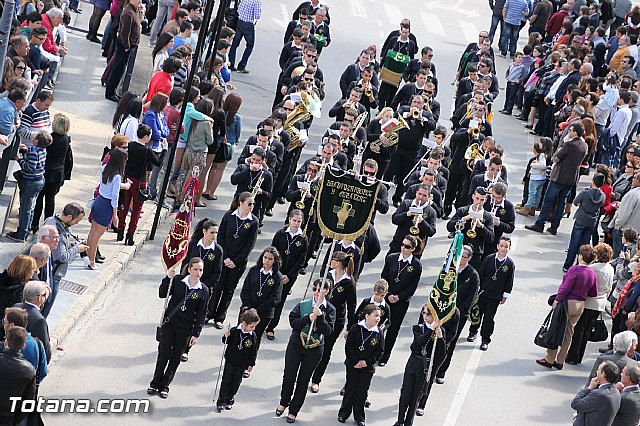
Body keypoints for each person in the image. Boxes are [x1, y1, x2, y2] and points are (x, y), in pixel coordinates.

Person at [276, 278, 336, 424]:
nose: (316, 293)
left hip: (314, 349)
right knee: (289, 376)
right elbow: (293, 322)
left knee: (303, 381)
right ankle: (284, 401)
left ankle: (294, 410)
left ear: (326, 291)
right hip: (296, 345)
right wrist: (308, 318)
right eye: (314, 289)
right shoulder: (304, 305)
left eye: (320, 290)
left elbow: (328, 331)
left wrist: (320, 317)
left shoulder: (330, 310)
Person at [148, 258, 209, 399]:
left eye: (201, 270)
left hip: (185, 329)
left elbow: (201, 314)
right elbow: (162, 293)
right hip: (169, 324)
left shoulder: (203, 290)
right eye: (195, 269)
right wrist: (167, 278)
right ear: (189, 269)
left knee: (175, 357)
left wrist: (196, 334)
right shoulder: (178, 281)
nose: (198, 273)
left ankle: (165, 385)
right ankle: (155, 382)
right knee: (163, 354)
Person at [537, 245, 598, 370]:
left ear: (580, 256)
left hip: (568, 302)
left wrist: (557, 300)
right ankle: (560, 360)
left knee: (556, 329)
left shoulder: (574, 270)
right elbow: (593, 293)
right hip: (580, 304)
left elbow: (565, 287)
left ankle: (550, 358)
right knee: (569, 333)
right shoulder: (592, 273)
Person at [526, 122, 589, 235]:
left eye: (570, 130)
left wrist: (557, 155)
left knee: (548, 200)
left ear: (575, 132)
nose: (569, 132)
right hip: (571, 178)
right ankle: (554, 227)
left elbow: (556, 157)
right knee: (561, 202)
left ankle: (540, 224)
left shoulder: (569, 145)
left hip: (559, 176)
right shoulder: (584, 146)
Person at [208, 192, 259, 329]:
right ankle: (209, 313)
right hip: (224, 259)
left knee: (229, 290)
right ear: (241, 203)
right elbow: (221, 236)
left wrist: (235, 261)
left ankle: (220, 317)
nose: (252, 206)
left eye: (253, 203)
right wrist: (225, 257)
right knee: (218, 287)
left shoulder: (253, 221)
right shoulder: (229, 216)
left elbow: (249, 245)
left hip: (238, 263)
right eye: (250, 203)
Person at [310, 251, 356, 393]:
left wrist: (349, 327)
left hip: (335, 320)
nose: (331, 261)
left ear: (340, 263)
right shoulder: (327, 275)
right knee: (312, 343)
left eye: (334, 259)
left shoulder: (349, 282)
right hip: (319, 313)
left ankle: (316, 379)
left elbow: (351, 306)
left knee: (326, 349)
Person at [394, 305, 446, 426]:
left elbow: (442, 354)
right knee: (405, 393)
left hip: (425, 366)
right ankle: (400, 420)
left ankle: (408, 422)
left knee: (416, 396)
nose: (424, 316)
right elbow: (420, 342)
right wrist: (431, 329)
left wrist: (440, 337)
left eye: (428, 314)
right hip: (414, 362)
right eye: (423, 313)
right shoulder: (419, 328)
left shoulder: (440, 331)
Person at [436, 245, 480, 383]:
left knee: (450, 342)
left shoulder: (473, 275)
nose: (460, 259)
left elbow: (470, 299)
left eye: (464, 256)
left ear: (470, 258)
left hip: (457, 315)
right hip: (442, 311)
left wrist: (457, 312)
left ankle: (441, 371)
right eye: (459, 255)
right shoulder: (449, 269)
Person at [566, 243, 614, 365]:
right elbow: (609, 287)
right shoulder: (610, 268)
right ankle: (579, 356)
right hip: (600, 303)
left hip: (588, 302)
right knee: (586, 331)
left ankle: (573, 356)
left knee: (579, 330)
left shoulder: (593, 268)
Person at [378, 235, 422, 366]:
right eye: (402, 245)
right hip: (386, 297)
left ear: (413, 249)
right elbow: (384, 276)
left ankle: (384, 356)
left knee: (393, 329)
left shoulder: (416, 265)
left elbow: (412, 286)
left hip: (401, 302)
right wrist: (388, 293)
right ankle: (374, 351)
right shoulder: (392, 258)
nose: (403, 248)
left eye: (407, 246)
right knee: (379, 324)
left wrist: (399, 296)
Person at [338, 304, 384, 426]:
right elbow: (349, 347)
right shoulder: (356, 328)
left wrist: (366, 362)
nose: (378, 318)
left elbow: (379, 351)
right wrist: (355, 361)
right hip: (353, 365)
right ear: (367, 316)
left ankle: (359, 416)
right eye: (376, 316)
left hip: (367, 368)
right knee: (350, 388)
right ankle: (343, 413)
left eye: (378, 316)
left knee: (362, 392)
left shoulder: (378, 332)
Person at [86, 148, 131, 269]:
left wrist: (125, 186)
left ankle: (88, 257)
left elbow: (110, 186)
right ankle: (91, 261)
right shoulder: (117, 176)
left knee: (92, 231)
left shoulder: (104, 168)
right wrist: (115, 215)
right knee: (97, 235)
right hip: (106, 206)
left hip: (99, 201)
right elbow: (114, 196)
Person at [267, 209, 309, 341]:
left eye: (299, 221)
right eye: (294, 220)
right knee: (269, 296)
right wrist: (276, 271)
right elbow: (273, 252)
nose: (296, 224)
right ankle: (262, 321)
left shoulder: (303, 238)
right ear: (289, 220)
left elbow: (301, 260)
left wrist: (289, 276)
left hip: (289, 276)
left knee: (280, 299)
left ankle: (271, 327)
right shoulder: (280, 234)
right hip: (275, 272)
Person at [467, 236, 515, 351]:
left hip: (495, 296)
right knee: (477, 313)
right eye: (502, 246)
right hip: (483, 293)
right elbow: (481, 274)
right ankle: (473, 331)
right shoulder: (489, 259)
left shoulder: (509, 264)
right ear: (497, 246)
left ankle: (485, 339)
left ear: (509, 248)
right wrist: (477, 288)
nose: (503, 249)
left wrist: (505, 295)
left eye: (506, 247)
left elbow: (509, 281)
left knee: (489, 318)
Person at [40, 203, 87, 317]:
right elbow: (62, 257)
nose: (76, 224)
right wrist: (77, 249)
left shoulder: (51, 220)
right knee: (44, 310)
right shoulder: (58, 232)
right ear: (70, 217)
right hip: (53, 274)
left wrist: (69, 245)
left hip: (47, 270)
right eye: (76, 221)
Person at [6, 131, 52, 243]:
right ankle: (26, 230)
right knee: (30, 208)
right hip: (39, 180)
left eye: (35, 137)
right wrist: (26, 150)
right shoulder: (42, 150)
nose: (33, 137)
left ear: (37, 141)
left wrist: (19, 159)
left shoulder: (33, 152)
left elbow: (29, 167)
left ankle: (21, 234)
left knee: (26, 209)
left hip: (30, 182)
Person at [239, 246, 283, 358]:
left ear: (275, 261)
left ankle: (249, 362)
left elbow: (275, 298)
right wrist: (249, 307)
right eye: (265, 257)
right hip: (247, 309)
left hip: (264, 313)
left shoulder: (277, 277)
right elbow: (245, 290)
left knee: (255, 338)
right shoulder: (254, 270)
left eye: (270, 259)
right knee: (240, 334)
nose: (267, 261)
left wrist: (257, 310)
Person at [31, 113, 72, 231]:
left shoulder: (51, 138)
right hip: (58, 174)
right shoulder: (66, 139)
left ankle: (34, 224)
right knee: (50, 199)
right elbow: (68, 159)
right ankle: (48, 224)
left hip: (46, 172)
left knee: (39, 198)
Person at [216, 308, 260, 412]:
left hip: (242, 364)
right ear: (244, 323)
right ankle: (221, 400)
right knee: (226, 380)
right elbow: (226, 341)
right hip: (231, 360)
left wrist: (251, 364)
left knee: (236, 382)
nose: (253, 329)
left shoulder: (252, 336)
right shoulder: (235, 330)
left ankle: (229, 399)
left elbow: (254, 351)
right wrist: (225, 336)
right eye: (252, 326)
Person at [563, 173, 606, 271]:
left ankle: (568, 264)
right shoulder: (602, 195)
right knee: (585, 243)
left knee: (574, 242)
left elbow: (575, 202)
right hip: (592, 221)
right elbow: (601, 206)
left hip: (581, 218)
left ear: (593, 182)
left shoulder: (585, 193)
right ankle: (580, 265)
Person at [105, 0, 142, 103]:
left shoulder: (133, 10)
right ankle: (110, 92)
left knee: (120, 69)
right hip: (124, 45)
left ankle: (113, 90)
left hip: (128, 45)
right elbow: (125, 31)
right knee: (117, 69)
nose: (140, 1)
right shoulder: (128, 13)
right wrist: (127, 45)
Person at [0, 326, 36, 426]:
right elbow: (28, 402)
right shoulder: (29, 370)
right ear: (23, 345)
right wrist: (16, 420)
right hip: (9, 418)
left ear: (6, 341)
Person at [571, 360, 621, 426]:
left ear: (603, 375)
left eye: (598, 370)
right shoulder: (616, 392)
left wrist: (589, 388)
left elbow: (575, 403)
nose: (597, 372)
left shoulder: (598, 394)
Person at [16, 281, 52, 362]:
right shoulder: (39, 320)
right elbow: (44, 349)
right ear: (39, 298)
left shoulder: (16, 306)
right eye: (44, 295)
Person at [228, 0, 262, 73]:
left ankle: (231, 63)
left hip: (240, 21)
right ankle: (242, 66)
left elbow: (238, 8)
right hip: (248, 24)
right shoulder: (256, 1)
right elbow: (257, 15)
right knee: (250, 45)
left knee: (235, 44)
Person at [0, 255, 38, 319]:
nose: (34, 272)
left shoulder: (2, 279)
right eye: (33, 269)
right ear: (26, 271)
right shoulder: (20, 291)